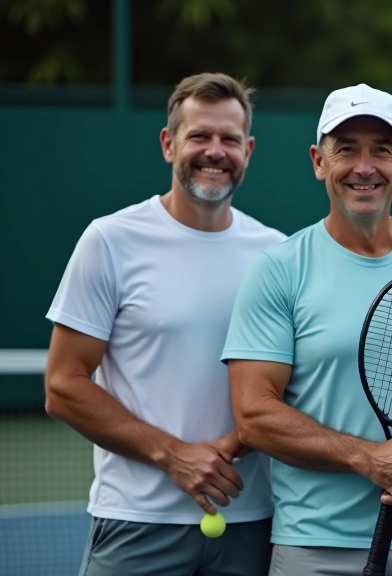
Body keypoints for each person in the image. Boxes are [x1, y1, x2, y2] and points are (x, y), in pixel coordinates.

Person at [221, 83, 392, 576]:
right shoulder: (279, 268)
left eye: (381, 150)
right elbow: (254, 414)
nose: (364, 166)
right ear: (318, 161)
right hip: (314, 546)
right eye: (346, 149)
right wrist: (367, 457)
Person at [43, 72, 283, 576]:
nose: (214, 151)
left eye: (229, 139)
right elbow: (63, 386)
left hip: (252, 526)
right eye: (199, 136)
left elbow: (285, 385)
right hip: (135, 525)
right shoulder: (109, 241)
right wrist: (174, 455)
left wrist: (230, 448)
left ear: (249, 149)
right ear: (168, 143)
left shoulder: (277, 254)